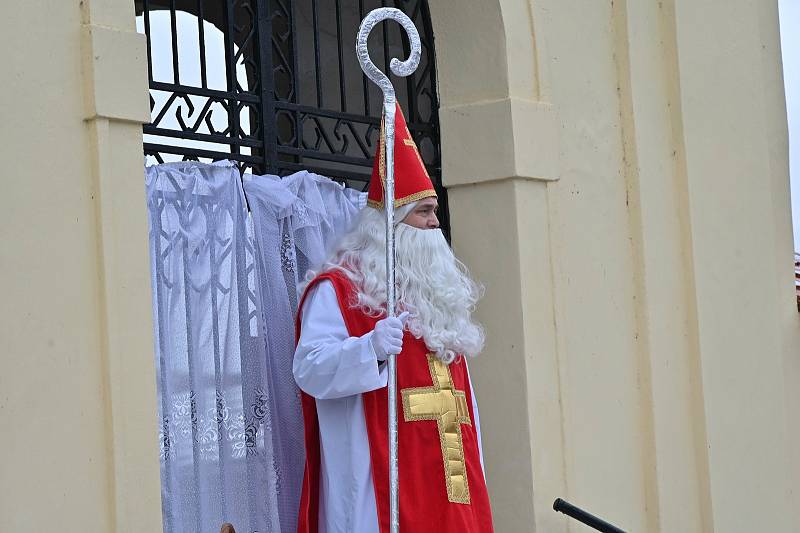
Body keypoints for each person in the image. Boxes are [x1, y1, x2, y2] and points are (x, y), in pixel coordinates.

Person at [293, 104, 494, 533]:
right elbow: (308, 369)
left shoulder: (439, 299)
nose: (435, 224)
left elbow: (466, 409)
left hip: (450, 488)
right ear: (391, 226)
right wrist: (367, 350)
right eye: (423, 212)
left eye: (434, 211)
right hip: (378, 493)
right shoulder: (340, 291)